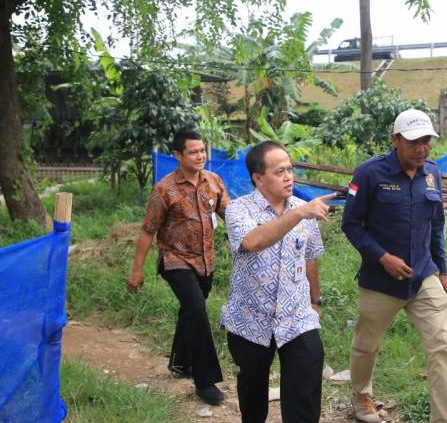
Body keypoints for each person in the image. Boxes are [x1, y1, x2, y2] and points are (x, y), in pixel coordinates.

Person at [341, 109, 447, 423]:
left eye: (427, 141)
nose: (422, 149)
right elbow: (351, 224)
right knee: (366, 346)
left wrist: (442, 270)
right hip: (380, 281)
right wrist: (383, 257)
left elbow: (436, 225)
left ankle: (444, 419)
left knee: (442, 349)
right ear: (395, 139)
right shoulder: (369, 173)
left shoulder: (432, 173)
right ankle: (361, 396)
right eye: (414, 142)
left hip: (423, 276)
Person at [222, 141, 336, 423]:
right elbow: (252, 241)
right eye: (279, 171)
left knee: (306, 380)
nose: (288, 177)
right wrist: (297, 214)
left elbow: (310, 257)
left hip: (297, 315)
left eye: (290, 169)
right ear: (258, 178)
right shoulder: (238, 209)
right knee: (253, 391)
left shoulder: (304, 209)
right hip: (251, 318)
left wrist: (315, 301)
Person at [126, 131, 230, 405]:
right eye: (193, 152)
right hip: (175, 260)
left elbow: (230, 215)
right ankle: (205, 382)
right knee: (197, 311)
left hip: (205, 261)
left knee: (190, 310)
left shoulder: (214, 182)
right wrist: (137, 269)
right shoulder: (164, 189)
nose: (200, 156)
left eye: (202, 151)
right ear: (178, 155)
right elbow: (148, 230)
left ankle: (180, 362)